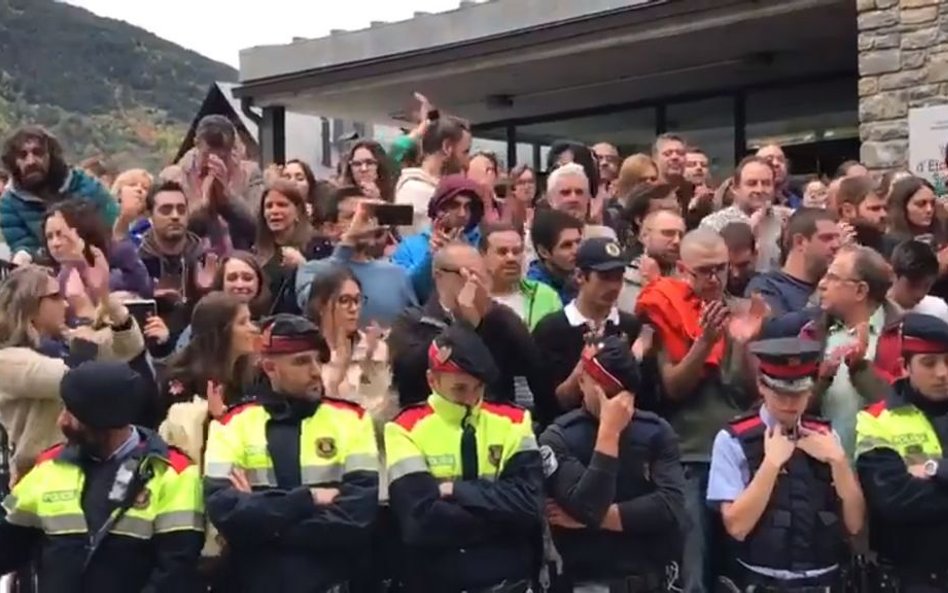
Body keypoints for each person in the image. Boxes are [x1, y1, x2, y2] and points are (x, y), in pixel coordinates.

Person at [204, 314, 379, 593]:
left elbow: (356, 520)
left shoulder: (351, 420)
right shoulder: (232, 424)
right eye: (301, 361)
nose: (315, 371)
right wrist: (307, 498)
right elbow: (225, 514)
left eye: (317, 360)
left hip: (331, 583)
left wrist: (261, 517)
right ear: (271, 368)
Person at [0, 360, 204, 591]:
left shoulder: (173, 473)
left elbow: (176, 571)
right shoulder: (50, 465)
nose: (61, 421)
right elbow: (8, 544)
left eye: (72, 413)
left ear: (104, 420)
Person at [384, 323, 543, 592]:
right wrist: (500, 519)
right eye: (459, 389)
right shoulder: (404, 429)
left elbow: (530, 505)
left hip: (508, 582)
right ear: (432, 380)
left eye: (478, 388)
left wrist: (456, 490)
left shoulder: (514, 421)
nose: (471, 399)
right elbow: (419, 523)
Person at [708, 338, 864, 592]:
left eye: (799, 393)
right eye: (780, 393)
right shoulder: (733, 439)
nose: (790, 403)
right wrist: (771, 465)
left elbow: (855, 524)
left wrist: (839, 462)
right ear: (762, 385)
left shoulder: (826, 436)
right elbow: (736, 526)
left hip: (826, 580)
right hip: (762, 582)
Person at [540, 335, 686, 592]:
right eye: (606, 393)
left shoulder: (656, 431)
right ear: (583, 379)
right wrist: (609, 433)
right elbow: (587, 505)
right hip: (587, 582)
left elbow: (670, 507)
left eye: (621, 393)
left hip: (649, 579)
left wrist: (594, 520)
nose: (615, 403)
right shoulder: (559, 436)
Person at [0, 265, 148, 480]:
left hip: (89, 469)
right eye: (56, 296)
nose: (66, 303)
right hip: (40, 476)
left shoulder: (68, 343)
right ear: (29, 304)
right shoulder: (7, 360)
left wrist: (110, 305)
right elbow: (72, 381)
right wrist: (85, 345)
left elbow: (129, 348)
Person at [388, 243, 552, 422]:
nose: (476, 283)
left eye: (482, 275)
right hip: (429, 424)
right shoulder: (412, 321)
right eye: (467, 274)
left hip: (492, 425)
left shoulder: (501, 319)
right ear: (439, 275)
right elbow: (406, 375)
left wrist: (485, 322)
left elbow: (537, 376)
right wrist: (464, 325)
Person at [855, 313, 948, 593]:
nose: (942, 373)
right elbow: (894, 501)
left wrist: (934, 470)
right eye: (929, 363)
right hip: (910, 579)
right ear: (905, 367)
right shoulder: (877, 420)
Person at [533, 237, 644, 415]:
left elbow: (643, 395)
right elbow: (549, 403)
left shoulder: (629, 325)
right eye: (604, 278)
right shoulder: (551, 329)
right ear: (580, 276)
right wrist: (586, 367)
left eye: (618, 278)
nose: (613, 286)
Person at [296, 188, 418, 327]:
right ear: (330, 228)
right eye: (352, 217)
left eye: (367, 216)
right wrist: (348, 241)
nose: (362, 222)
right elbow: (314, 304)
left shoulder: (396, 273)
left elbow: (414, 324)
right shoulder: (311, 271)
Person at [0, 126, 118, 263]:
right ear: (13, 162)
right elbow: (24, 246)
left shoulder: (84, 185)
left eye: (38, 153)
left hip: (99, 263)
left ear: (51, 155)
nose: (30, 161)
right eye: (23, 156)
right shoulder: (9, 204)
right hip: (47, 273)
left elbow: (111, 226)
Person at [392, 174, 485, 303]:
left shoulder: (480, 245)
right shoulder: (409, 247)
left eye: (468, 207)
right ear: (438, 209)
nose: (462, 214)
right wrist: (432, 257)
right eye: (454, 206)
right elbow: (408, 292)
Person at [746, 208, 841, 317]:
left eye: (838, 238)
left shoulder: (838, 286)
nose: (836, 245)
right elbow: (772, 327)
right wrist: (829, 308)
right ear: (799, 242)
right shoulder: (766, 286)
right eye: (827, 238)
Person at [701, 156, 789, 272]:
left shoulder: (787, 219)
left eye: (766, 183)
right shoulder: (713, 224)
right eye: (752, 183)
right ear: (735, 188)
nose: (759, 189)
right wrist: (750, 230)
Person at [395, 116, 472, 233]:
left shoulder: (436, 189)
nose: (467, 162)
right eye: (465, 152)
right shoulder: (415, 192)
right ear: (447, 147)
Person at [480, 221, 562, 330]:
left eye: (516, 251)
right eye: (502, 252)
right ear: (482, 255)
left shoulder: (546, 295)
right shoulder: (472, 299)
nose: (511, 258)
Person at [618, 209, 685, 312]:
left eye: (681, 235)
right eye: (668, 233)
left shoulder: (689, 281)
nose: (677, 241)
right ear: (645, 237)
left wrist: (657, 282)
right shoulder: (622, 280)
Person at [526, 209, 584, 305]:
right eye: (567, 245)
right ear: (544, 252)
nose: (576, 250)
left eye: (578, 242)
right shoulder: (535, 290)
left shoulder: (583, 275)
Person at [889, 240, 948, 323]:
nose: (919, 294)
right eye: (913, 285)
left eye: (927, 286)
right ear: (893, 276)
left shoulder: (938, 310)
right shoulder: (875, 311)